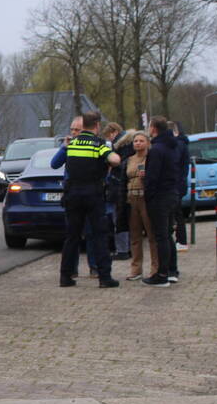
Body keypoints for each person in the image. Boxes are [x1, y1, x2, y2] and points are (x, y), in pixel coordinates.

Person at [58, 111, 121, 288]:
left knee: (72, 236)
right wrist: (109, 159)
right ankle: (105, 278)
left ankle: (66, 276)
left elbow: (59, 162)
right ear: (97, 125)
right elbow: (115, 160)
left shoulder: (72, 143)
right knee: (99, 235)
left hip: (72, 194)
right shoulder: (98, 144)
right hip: (93, 194)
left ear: (82, 125)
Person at [142, 116, 181, 287]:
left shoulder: (157, 149)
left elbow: (153, 176)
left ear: (154, 128)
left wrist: (148, 195)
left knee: (161, 236)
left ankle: (162, 274)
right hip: (172, 193)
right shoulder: (173, 146)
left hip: (160, 197)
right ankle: (172, 270)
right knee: (167, 234)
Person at [123, 131, 159, 280]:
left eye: (141, 141)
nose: (137, 143)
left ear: (147, 143)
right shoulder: (129, 160)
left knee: (152, 235)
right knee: (135, 236)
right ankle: (136, 269)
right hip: (131, 198)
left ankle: (155, 267)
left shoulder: (151, 158)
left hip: (146, 198)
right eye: (135, 141)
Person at [104, 123, 132, 260]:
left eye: (109, 136)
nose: (109, 139)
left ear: (114, 132)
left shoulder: (120, 147)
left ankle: (122, 250)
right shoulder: (130, 144)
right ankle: (129, 248)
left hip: (118, 187)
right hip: (127, 187)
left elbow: (119, 166)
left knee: (119, 219)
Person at [170, 120, 190, 268]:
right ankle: (181, 240)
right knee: (177, 213)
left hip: (176, 184)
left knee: (177, 213)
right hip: (180, 182)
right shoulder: (182, 144)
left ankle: (181, 240)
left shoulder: (177, 145)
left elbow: (176, 164)